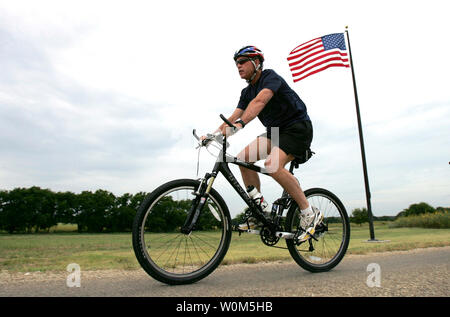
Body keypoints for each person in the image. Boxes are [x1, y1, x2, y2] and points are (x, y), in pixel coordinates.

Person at [211, 46, 322, 242]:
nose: (238, 65)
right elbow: (233, 117)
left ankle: (308, 213)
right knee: (242, 159)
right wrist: (212, 135)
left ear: (256, 62)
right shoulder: (246, 91)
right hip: (277, 132)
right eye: (236, 63)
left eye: (243, 61)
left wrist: (241, 124)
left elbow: (260, 102)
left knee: (272, 166)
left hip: (297, 127)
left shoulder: (270, 77)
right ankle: (259, 213)